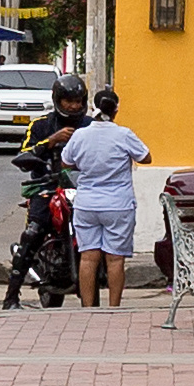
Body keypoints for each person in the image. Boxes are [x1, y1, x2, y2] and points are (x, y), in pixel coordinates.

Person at [58, 94, 146, 307]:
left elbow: (65, 162)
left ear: (93, 108)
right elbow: (145, 157)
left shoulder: (80, 135)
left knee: (88, 258)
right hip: (118, 205)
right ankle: (113, 308)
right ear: (116, 110)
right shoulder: (124, 134)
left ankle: (89, 309)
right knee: (115, 259)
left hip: (86, 204)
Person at [0, 98, 79, 310]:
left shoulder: (88, 125)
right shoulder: (41, 124)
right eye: (68, 101)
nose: (73, 106)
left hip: (81, 189)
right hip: (46, 189)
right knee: (32, 234)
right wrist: (50, 141)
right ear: (58, 100)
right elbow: (24, 153)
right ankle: (11, 297)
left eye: (78, 101)